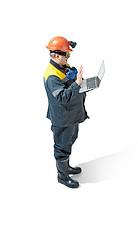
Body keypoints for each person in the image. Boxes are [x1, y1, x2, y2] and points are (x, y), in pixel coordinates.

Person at [43, 36, 88, 188]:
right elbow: (62, 97)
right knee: (62, 145)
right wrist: (77, 84)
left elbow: (69, 84)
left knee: (70, 140)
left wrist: (81, 81)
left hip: (71, 116)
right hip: (62, 118)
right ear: (57, 56)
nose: (68, 57)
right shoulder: (52, 76)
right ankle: (62, 176)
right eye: (66, 54)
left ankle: (66, 166)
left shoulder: (62, 67)